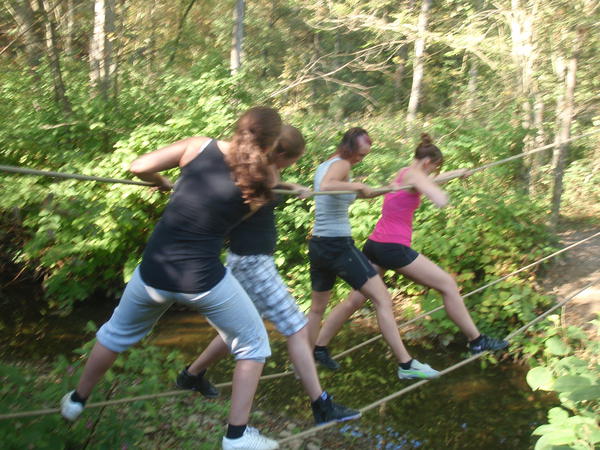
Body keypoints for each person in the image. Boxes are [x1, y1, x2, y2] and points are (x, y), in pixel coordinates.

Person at [60, 107, 283, 450]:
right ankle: (236, 436)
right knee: (253, 344)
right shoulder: (264, 178)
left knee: (116, 334)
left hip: (154, 270)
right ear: (272, 143)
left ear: (238, 126)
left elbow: (138, 166)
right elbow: (235, 214)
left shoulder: (198, 146)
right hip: (202, 280)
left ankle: (76, 400)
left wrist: (163, 183)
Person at [176, 125, 361, 425]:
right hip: (253, 263)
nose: (293, 165)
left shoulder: (264, 169)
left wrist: (292, 187)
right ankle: (321, 405)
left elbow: (273, 182)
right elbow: (239, 198)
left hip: (247, 261)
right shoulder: (255, 172)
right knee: (297, 329)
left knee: (236, 329)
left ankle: (191, 374)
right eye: (293, 159)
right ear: (281, 154)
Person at [313, 133, 509, 371]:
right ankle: (476, 340)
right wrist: (438, 197)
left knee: (355, 299)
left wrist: (459, 173)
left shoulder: (404, 174)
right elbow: (427, 184)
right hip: (393, 247)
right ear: (427, 163)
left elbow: (430, 180)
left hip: (375, 244)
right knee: (447, 284)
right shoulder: (415, 175)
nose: (432, 174)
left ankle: (320, 346)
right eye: (433, 169)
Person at [307, 128, 440, 380]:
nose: (360, 159)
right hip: (338, 245)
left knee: (317, 309)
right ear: (348, 148)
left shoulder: (325, 165)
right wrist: (358, 184)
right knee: (382, 300)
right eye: (359, 154)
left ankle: (311, 355)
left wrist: (383, 189)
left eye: (364, 156)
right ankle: (406, 363)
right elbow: (329, 186)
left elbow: (355, 192)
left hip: (318, 244)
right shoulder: (341, 165)